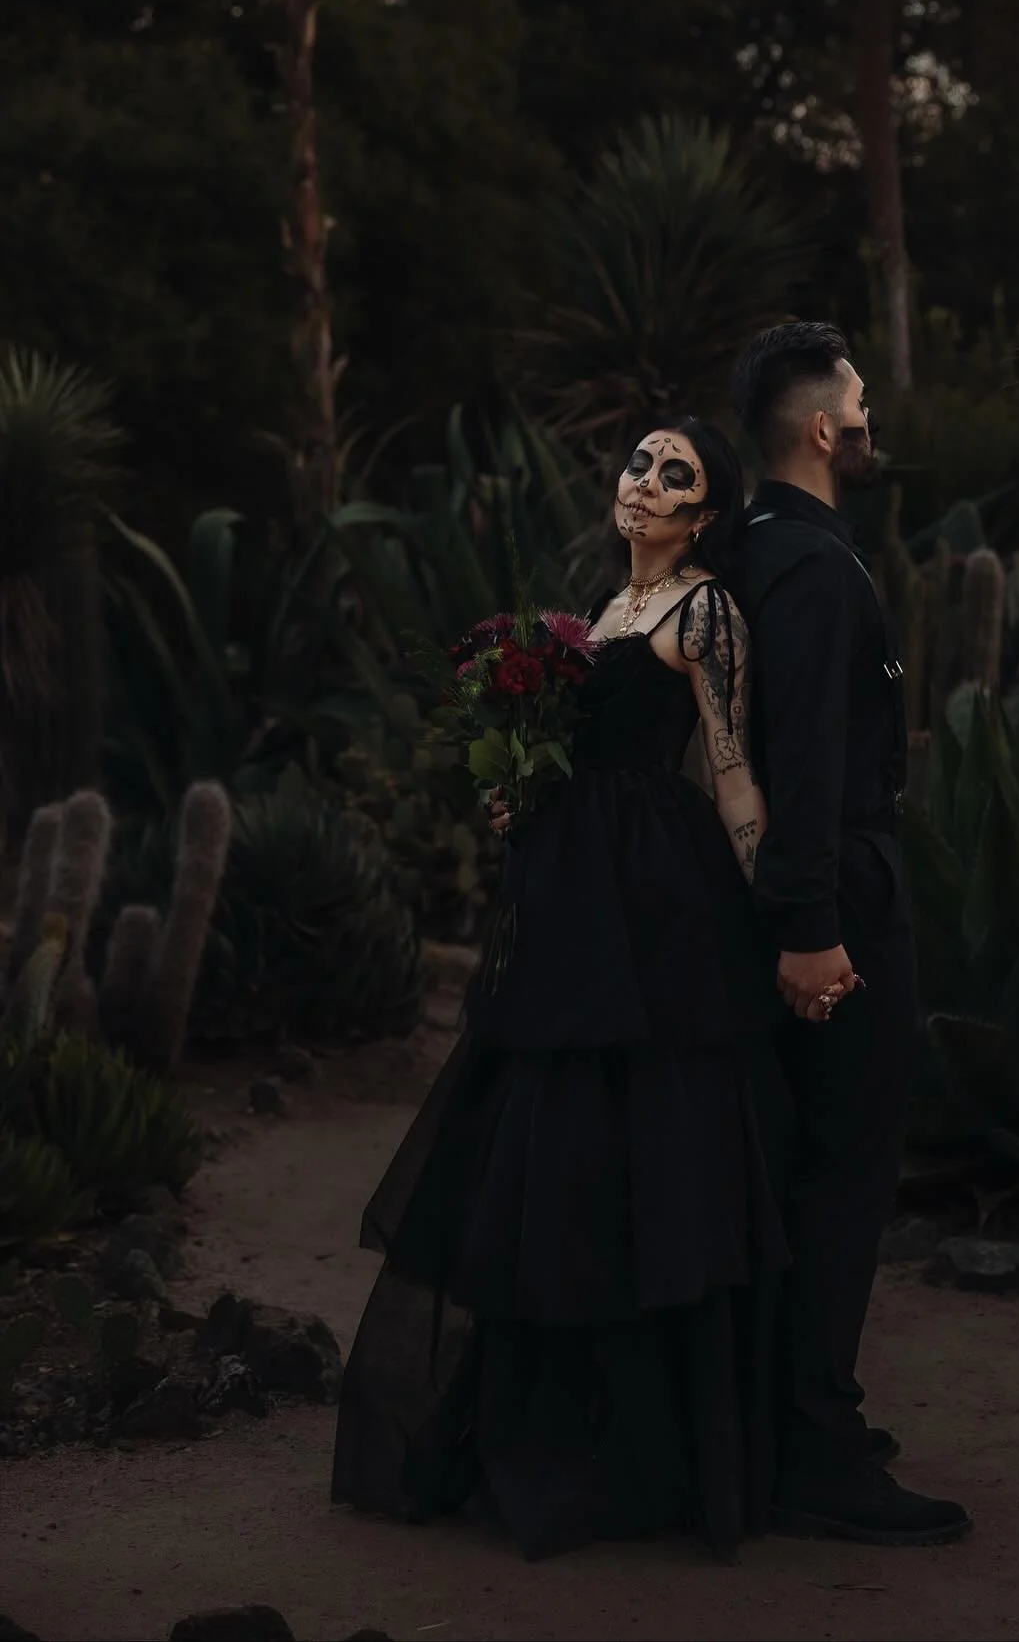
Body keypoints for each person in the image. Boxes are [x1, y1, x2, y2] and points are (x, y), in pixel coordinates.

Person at [331, 418, 815, 1561]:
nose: (644, 483)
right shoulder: (597, 614)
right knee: (554, 1148)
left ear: (705, 516)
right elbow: (569, 750)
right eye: (640, 463)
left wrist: (795, 922)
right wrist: (516, 797)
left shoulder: (705, 610)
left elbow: (732, 771)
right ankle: (553, 1434)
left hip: (652, 898)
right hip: (567, 897)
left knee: (646, 1138)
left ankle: (643, 1452)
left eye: (675, 474)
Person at [729, 322, 974, 1545]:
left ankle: (782, 1421)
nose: (873, 420)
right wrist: (813, 928)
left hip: (775, 896)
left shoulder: (749, 546)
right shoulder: (817, 567)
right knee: (843, 1171)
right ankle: (815, 1448)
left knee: (789, 1168)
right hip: (834, 905)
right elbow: (808, 761)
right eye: (862, 403)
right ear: (824, 429)